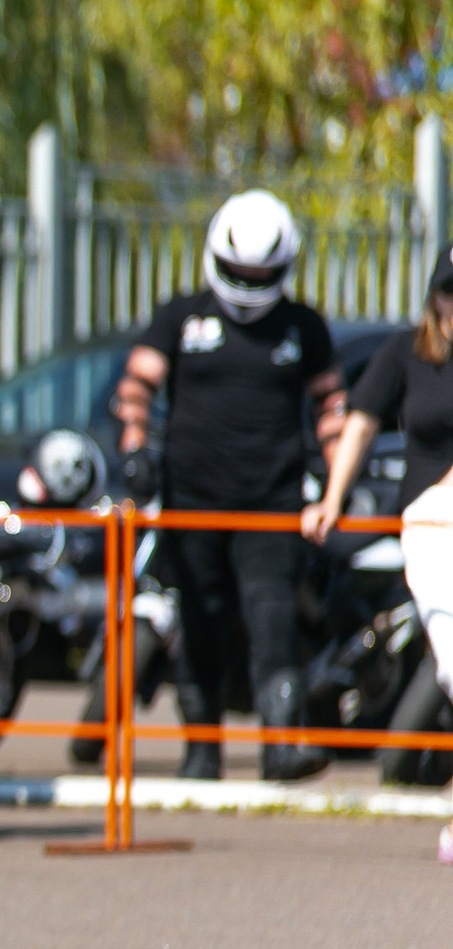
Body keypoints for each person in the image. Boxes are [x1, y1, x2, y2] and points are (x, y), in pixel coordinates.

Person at [116, 189, 343, 781]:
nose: (246, 283)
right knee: (199, 622)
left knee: (273, 624)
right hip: (192, 500)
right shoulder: (181, 315)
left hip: (271, 505)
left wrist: (334, 478)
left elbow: (333, 409)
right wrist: (136, 449)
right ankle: (201, 751)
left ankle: (280, 748)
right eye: (237, 270)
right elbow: (135, 387)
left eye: (258, 273)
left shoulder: (302, 326)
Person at [304, 244, 453, 861]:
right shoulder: (405, 352)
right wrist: (333, 498)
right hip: (429, 529)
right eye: (449, 294)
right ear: (434, 298)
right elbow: (361, 421)